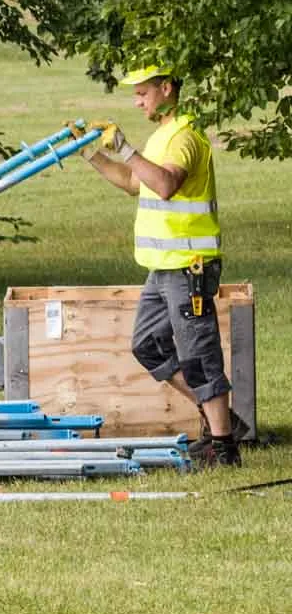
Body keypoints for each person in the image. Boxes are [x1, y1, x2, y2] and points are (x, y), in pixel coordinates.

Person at [83, 67, 242, 467]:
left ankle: (224, 449)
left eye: (143, 94)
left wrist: (126, 148)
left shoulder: (185, 136)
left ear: (166, 88)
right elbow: (134, 183)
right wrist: (89, 153)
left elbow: (166, 184)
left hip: (188, 267)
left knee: (198, 356)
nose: (138, 102)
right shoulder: (162, 136)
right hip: (162, 267)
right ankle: (221, 419)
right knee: (148, 346)